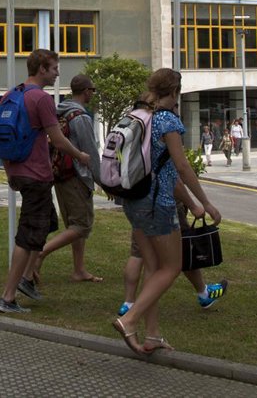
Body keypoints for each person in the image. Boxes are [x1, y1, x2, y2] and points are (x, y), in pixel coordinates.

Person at [112, 68, 221, 356]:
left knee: (153, 268)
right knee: (172, 267)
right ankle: (129, 320)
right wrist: (206, 203)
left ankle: (152, 335)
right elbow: (181, 167)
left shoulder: (140, 114)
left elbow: (164, 172)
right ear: (174, 92)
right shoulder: (167, 120)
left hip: (134, 201)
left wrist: (192, 202)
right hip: (157, 205)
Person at [0, 49, 91, 314]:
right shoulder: (41, 99)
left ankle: (27, 278)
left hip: (21, 172)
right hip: (36, 175)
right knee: (27, 235)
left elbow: (1, 137)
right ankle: (8, 296)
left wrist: (10, 172)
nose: (58, 73)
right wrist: (81, 156)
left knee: (47, 222)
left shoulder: (10, 95)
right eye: (54, 68)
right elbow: (58, 140)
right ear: (42, 69)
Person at [26, 74, 102, 285]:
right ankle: (41, 253)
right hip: (77, 176)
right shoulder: (81, 118)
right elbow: (90, 152)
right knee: (82, 225)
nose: (92, 94)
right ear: (86, 91)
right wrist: (103, 181)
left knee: (73, 224)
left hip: (59, 174)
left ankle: (79, 270)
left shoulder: (60, 111)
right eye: (92, 90)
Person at [118, 181, 227, 318]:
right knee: (183, 250)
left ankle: (128, 303)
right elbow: (177, 178)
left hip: (139, 203)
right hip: (166, 205)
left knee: (138, 253)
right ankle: (204, 293)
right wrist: (194, 205)